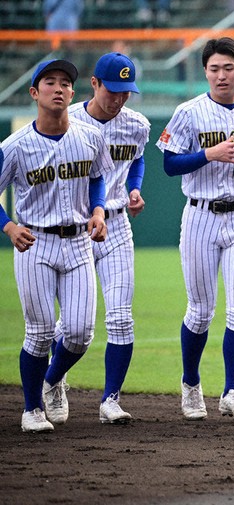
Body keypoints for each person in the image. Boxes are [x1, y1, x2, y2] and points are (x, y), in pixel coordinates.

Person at [156, 37, 234, 421]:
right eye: (214, 68)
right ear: (205, 71)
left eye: (228, 67)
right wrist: (210, 153)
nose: (221, 75)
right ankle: (190, 383)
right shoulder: (189, 112)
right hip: (200, 215)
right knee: (201, 311)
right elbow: (169, 165)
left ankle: (232, 390)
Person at [0, 59, 113, 432]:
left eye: (66, 82)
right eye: (50, 82)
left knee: (81, 332)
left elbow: (97, 178)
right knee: (40, 330)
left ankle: (51, 380)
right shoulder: (15, 146)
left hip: (79, 241)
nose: (60, 88)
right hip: (35, 242)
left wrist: (98, 211)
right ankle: (31, 409)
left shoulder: (89, 136)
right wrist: (8, 226)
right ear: (35, 93)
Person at [59, 52, 149, 423]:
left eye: (126, 92)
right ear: (94, 84)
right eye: (113, 91)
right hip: (75, 230)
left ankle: (111, 399)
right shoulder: (69, 123)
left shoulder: (137, 124)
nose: (119, 99)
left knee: (122, 318)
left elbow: (138, 158)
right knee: (71, 325)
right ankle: (54, 380)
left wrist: (135, 188)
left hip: (116, 224)